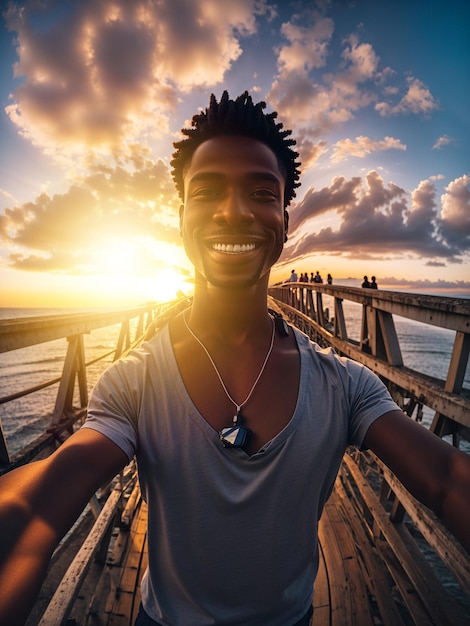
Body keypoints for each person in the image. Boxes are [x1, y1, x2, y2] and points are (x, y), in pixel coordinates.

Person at [1, 91, 469, 626]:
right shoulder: (134, 382)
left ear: (286, 222)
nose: (234, 211)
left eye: (261, 192)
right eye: (207, 191)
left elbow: (447, 476)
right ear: (181, 221)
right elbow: (40, 502)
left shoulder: (344, 385)